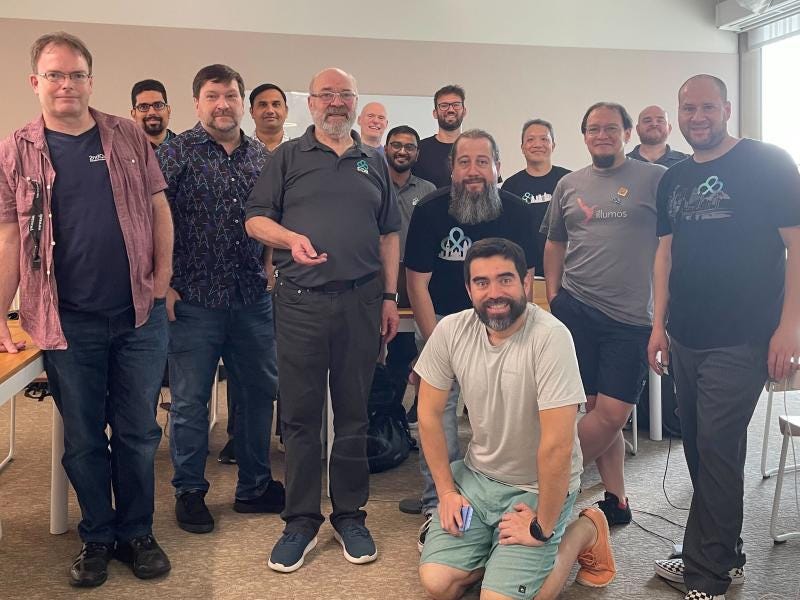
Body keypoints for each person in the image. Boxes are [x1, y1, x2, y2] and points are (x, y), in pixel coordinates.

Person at [0, 32, 173, 587]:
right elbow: (9, 237)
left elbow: (158, 207)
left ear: (91, 81)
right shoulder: (15, 150)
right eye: (55, 74)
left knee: (138, 432)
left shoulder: (126, 135)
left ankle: (138, 533)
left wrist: (162, 279)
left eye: (76, 74)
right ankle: (97, 536)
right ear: (36, 82)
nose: (66, 84)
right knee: (83, 439)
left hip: (138, 316)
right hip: (67, 321)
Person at [649, 74, 800, 600]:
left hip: (744, 336)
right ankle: (724, 552)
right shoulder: (673, 179)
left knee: (715, 447)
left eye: (708, 107)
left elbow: (797, 246)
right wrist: (658, 325)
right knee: (700, 447)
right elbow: (665, 255)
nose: (698, 117)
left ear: (727, 109)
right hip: (686, 334)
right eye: (688, 108)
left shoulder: (768, 163)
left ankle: (708, 573)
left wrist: (790, 325)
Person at [245, 67, 401, 572]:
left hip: (361, 302)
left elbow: (389, 235)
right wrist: (290, 239)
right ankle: (301, 520)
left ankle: (350, 515)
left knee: (354, 413)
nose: (336, 102)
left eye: (345, 95)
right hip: (300, 303)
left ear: (355, 102)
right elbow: (255, 219)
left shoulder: (373, 161)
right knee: (301, 416)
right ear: (310, 103)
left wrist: (389, 297)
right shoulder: (288, 157)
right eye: (326, 94)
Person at [417, 237, 616, 600]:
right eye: (482, 282)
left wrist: (542, 527)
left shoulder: (551, 338)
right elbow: (428, 415)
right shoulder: (451, 331)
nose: (494, 293)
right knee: (437, 583)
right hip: (478, 481)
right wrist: (446, 492)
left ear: (525, 282)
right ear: (469, 290)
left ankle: (585, 531)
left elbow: (557, 446)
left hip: (538, 488)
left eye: (505, 279)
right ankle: (500, 553)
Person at [156, 64, 282, 535]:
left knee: (257, 395)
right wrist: (163, 282)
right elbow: (151, 217)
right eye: (213, 96)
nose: (222, 104)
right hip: (192, 299)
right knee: (190, 402)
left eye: (230, 95)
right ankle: (189, 491)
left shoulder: (261, 156)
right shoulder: (175, 152)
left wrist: (268, 263)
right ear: (197, 103)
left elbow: (271, 214)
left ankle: (254, 487)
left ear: (241, 102)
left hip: (251, 298)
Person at [402, 129, 538, 546]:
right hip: (444, 323)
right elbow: (417, 283)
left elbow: (526, 281)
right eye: (464, 162)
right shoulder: (429, 210)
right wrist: (435, 345)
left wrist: (513, 334)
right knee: (438, 411)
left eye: (483, 161)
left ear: (497, 167)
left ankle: (504, 495)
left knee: (506, 410)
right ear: (452, 169)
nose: (473, 170)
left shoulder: (518, 212)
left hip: (503, 323)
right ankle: (436, 501)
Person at [541, 101, 664, 526]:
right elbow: (554, 241)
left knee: (612, 415)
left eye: (611, 128)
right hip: (576, 310)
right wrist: (554, 294)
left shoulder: (655, 179)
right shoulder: (569, 184)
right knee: (592, 408)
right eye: (594, 129)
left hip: (631, 319)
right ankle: (617, 499)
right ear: (584, 136)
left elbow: (672, 246)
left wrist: (664, 317)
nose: (602, 135)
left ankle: (543, 485)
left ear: (627, 133)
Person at [383, 125, 436, 409]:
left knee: (405, 352)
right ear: (386, 148)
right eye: (396, 145)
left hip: (415, 280)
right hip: (377, 279)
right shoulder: (373, 185)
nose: (402, 151)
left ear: (417, 153)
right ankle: (378, 413)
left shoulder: (428, 191)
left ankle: (397, 414)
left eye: (409, 146)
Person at [502, 118, 571, 277]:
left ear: (553, 145)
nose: (537, 144)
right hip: (524, 269)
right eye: (530, 140)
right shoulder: (511, 186)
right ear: (522, 147)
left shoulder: (568, 181)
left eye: (544, 139)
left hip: (566, 270)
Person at [413, 85, 467, 188]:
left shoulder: (476, 149)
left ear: (464, 111)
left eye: (456, 105)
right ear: (435, 113)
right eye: (444, 105)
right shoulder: (419, 149)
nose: (451, 109)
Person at [130, 79, 175, 148]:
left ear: (168, 110)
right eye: (143, 107)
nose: (152, 112)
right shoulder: (124, 151)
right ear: (133, 114)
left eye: (158, 105)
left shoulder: (186, 148)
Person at [250, 82, 290, 153]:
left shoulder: (300, 152)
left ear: (286, 111)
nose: (270, 111)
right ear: (252, 112)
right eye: (263, 105)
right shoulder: (239, 153)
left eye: (276, 104)